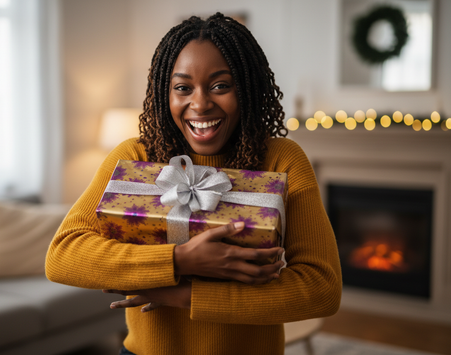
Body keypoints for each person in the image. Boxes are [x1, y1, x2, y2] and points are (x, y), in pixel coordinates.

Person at [46, 13, 342, 355]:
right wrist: (181, 260)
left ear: (246, 89)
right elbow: (63, 254)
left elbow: (322, 287)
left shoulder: (282, 160)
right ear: (164, 92)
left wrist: (186, 296)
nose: (200, 104)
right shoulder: (134, 157)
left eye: (220, 85)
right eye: (183, 88)